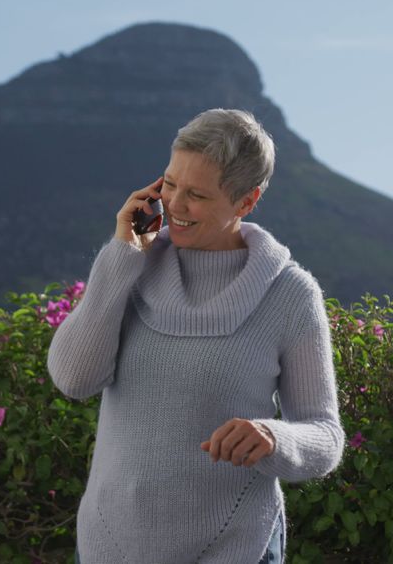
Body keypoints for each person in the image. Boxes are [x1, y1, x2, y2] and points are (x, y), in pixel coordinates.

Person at [47, 109, 344, 563]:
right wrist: (121, 256)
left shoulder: (289, 293)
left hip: (235, 546)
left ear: (246, 201)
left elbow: (325, 437)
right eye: (169, 184)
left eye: (197, 195)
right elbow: (73, 379)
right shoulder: (132, 266)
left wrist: (273, 437)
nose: (174, 205)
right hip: (112, 544)